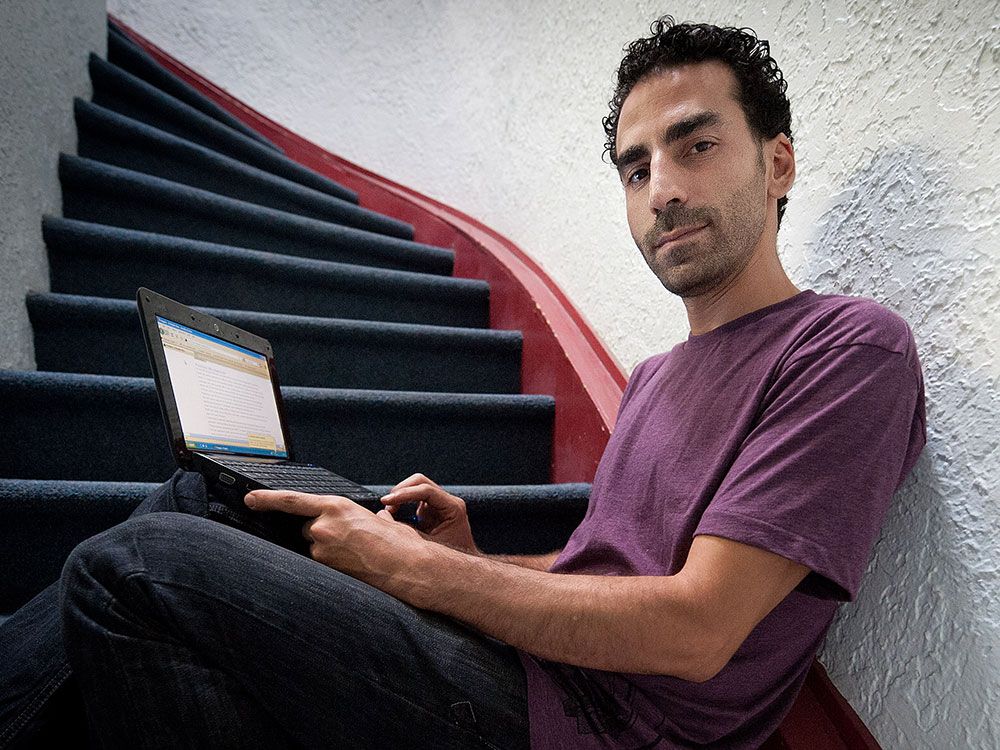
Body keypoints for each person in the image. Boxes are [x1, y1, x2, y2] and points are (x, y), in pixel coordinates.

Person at [0, 16, 926, 750]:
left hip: (600, 727)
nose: (661, 192)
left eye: (696, 146)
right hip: (536, 667)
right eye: (636, 168)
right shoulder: (654, 377)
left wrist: (422, 572)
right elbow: (605, 576)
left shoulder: (849, 350)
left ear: (777, 161)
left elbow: (696, 629)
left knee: (134, 568)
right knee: (205, 496)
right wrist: (474, 560)